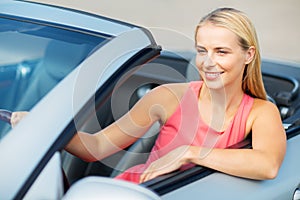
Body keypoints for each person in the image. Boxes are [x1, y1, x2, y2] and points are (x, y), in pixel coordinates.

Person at [11, 7, 286, 184]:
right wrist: (42, 128)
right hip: (138, 191)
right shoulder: (168, 97)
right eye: (202, 50)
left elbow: (267, 164)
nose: (208, 63)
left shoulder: (260, 112)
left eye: (221, 52)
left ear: (248, 55)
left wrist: (189, 152)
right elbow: (96, 148)